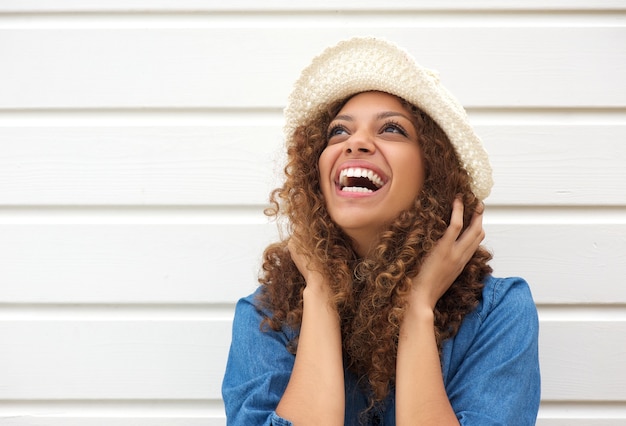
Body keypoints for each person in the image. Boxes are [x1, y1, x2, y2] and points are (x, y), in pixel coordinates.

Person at [222, 37, 540, 426]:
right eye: (338, 132)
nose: (355, 142)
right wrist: (320, 291)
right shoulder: (266, 315)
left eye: (391, 129)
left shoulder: (499, 312)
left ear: (433, 174)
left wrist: (418, 306)